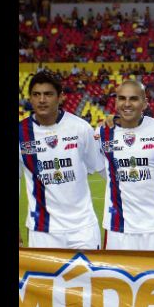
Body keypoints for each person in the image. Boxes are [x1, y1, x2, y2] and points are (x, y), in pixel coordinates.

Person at [18, 71, 102, 249]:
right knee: (43, 278)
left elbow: (100, 167)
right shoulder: (20, 134)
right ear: (30, 99)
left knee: (88, 277)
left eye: (48, 94)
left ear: (60, 97)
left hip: (83, 229)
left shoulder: (80, 128)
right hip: (42, 231)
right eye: (36, 94)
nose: (42, 100)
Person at [96, 80, 154, 251]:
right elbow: (97, 166)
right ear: (115, 102)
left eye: (134, 99)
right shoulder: (102, 133)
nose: (127, 104)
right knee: (115, 278)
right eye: (122, 98)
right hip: (118, 229)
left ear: (145, 103)